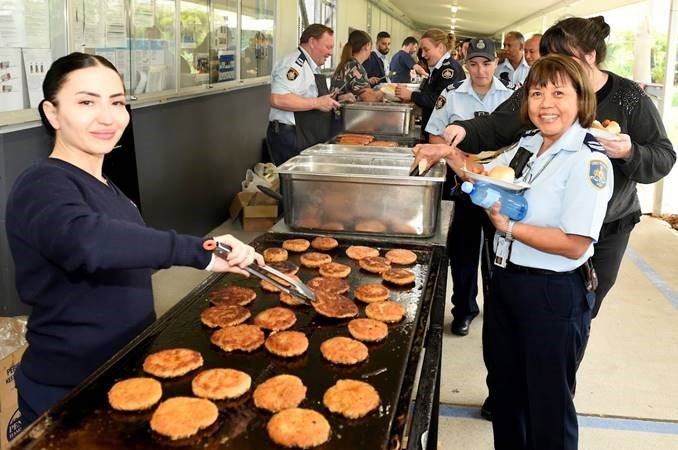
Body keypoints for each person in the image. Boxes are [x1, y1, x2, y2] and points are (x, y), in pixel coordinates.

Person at [417, 16, 676, 421]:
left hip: (603, 229)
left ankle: (550, 390)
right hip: (535, 221)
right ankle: (510, 390)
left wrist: (628, 152)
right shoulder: (539, 112)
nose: (548, 100)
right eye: (542, 88)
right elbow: (500, 124)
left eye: (563, 79)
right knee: (515, 320)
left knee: (572, 317)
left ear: (590, 58)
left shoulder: (628, 100)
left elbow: (662, 157)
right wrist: (459, 134)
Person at [5, 52, 263, 425]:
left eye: (117, 102)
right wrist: (197, 251)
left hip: (127, 367)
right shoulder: (41, 183)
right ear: (52, 113)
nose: (108, 117)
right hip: (70, 388)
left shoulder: (108, 185)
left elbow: (126, 255)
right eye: (86, 102)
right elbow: (87, 241)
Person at [430, 54, 613, 449]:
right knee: (506, 393)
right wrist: (450, 157)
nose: (546, 103)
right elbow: (489, 179)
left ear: (581, 101)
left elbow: (575, 244)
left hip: (553, 295)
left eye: (558, 93)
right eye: (537, 93)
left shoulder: (588, 160)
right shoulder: (530, 145)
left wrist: (511, 228)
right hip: (507, 284)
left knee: (547, 406)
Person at [425, 37, 516, 336]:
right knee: (463, 254)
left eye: (486, 64)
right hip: (462, 184)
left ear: (496, 63)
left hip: (499, 186)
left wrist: (492, 170)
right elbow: (435, 137)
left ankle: (499, 315)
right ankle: (463, 310)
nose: (480, 71)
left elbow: (523, 138)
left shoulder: (512, 96)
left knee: (499, 252)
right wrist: (463, 169)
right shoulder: (451, 95)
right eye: (473, 64)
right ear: (466, 65)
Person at [267, 24, 340, 165]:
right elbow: (278, 99)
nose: (330, 52)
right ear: (312, 42)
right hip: (290, 136)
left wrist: (334, 99)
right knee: (292, 186)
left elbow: (308, 95)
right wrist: (318, 103)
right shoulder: (295, 65)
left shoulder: (310, 65)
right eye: (328, 47)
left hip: (304, 133)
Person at [395, 29, 466, 138]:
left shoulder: (449, 71)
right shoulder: (438, 68)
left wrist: (411, 95)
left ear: (441, 48)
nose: (423, 55)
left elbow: (440, 101)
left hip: (442, 136)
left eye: (426, 50)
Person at [330, 29, 384, 102]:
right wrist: (386, 92)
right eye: (371, 47)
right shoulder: (355, 67)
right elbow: (368, 98)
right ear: (367, 46)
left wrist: (367, 81)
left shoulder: (348, 63)